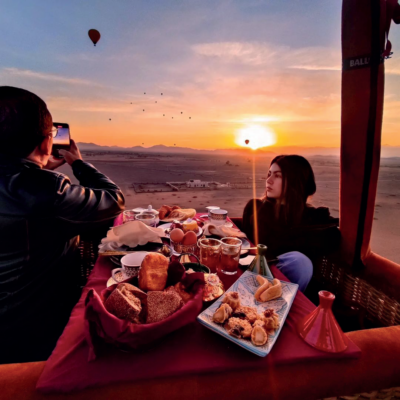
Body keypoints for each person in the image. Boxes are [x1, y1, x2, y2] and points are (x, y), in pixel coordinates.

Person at [0, 86, 125, 363]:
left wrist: (38, 170)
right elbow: (114, 200)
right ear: (46, 142)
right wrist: (78, 163)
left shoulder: (37, 188)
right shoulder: (47, 192)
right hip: (31, 335)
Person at [242, 155, 340, 292]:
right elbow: (255, 245)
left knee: (300, 263)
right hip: (252, 276)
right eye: (269, 174)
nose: (268, 180)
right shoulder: (256, 208)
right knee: (299, 261)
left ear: (295, 182)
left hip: (287, 287)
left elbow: (335, 237)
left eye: (278, 176)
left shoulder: (313, 218)